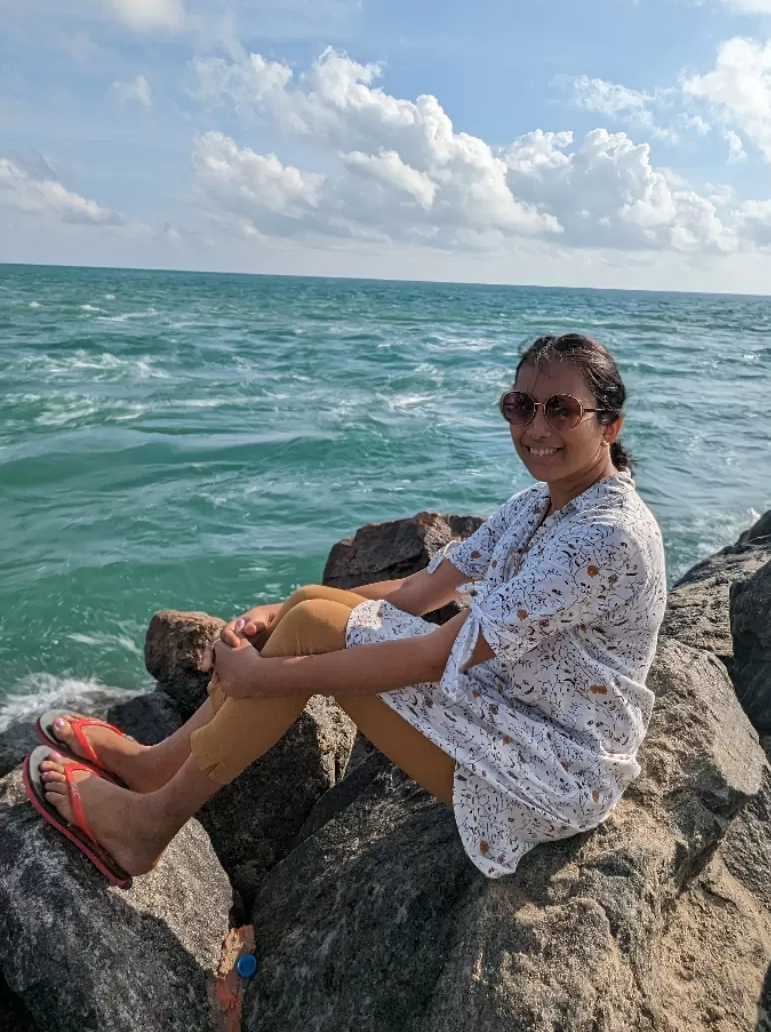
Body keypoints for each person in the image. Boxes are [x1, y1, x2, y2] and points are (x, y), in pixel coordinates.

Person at [25, 333, 666, 885]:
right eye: (521, 405)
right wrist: (282, 607)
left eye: (561, 409)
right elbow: (420, 592)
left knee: (310, 629)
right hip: (510, 708)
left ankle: (148, 824)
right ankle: (155, 765)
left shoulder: (606, 535)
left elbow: (433, 655)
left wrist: (266, 675)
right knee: (307, 609)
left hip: (551, 768)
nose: (535, 427)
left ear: (610, 424)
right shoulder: (537, 506)